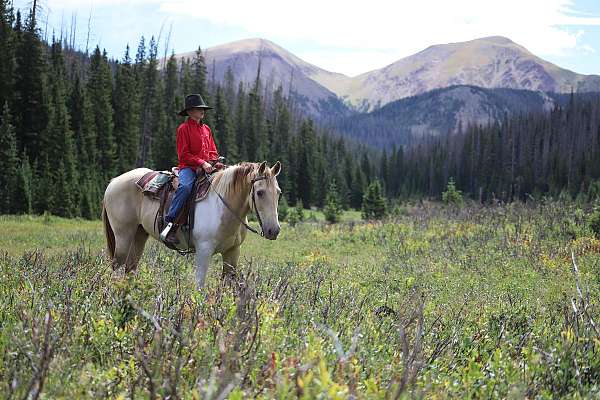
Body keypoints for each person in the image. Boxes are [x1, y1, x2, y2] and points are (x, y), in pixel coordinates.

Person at [160, 94, 224, 245]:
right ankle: (170, 224)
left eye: (203, 109)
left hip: (207, 167)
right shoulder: (183, 129)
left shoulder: (206, 129)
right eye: (198, 109)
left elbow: (213, 150)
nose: (202, 111)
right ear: (189, 112)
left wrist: (215, 161)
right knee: (185, 187)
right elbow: (184, 154)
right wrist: (202, 163)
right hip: (188, 167)